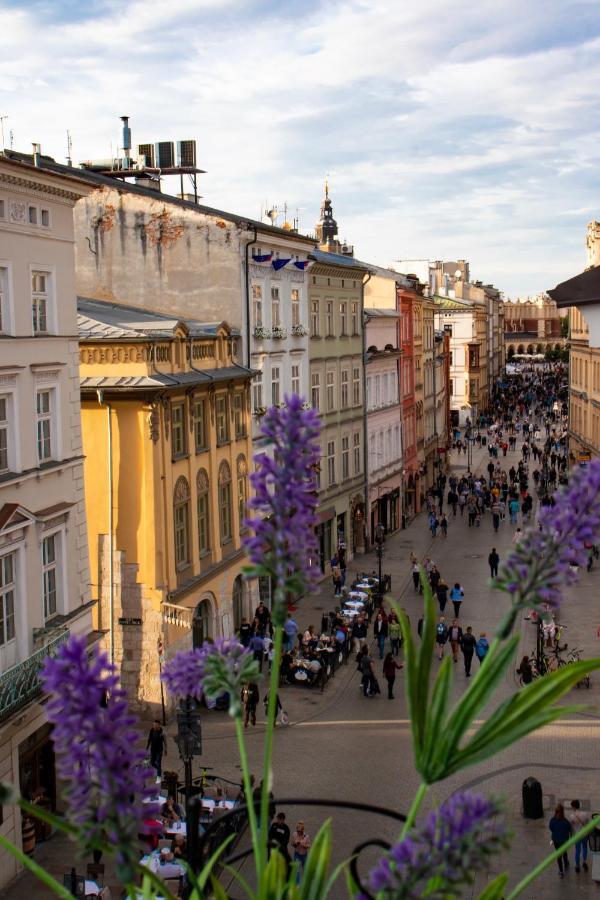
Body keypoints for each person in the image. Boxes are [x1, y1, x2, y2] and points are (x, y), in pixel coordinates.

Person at [549, 804, 572, 876]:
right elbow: (569, 829)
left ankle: (561, 871)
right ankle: (566, 863)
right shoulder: (566, 822)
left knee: (559, 855)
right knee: (564, 852)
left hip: (556, 840)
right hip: (564, 841)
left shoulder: (552, 820)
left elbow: (551, 828)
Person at [569, 800, 590, 873]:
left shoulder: (572, 816)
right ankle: (584, 861)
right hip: (584, 835)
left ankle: (577, 866)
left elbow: (571, 827)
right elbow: (588, 824)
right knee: (584, 848)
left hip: (577, 836)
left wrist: (571, 836)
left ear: (574, 807)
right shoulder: (585, 814)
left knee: (577, 851)